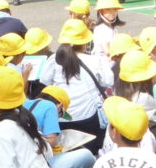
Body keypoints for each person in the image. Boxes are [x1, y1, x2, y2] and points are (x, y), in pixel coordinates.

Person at [37, 20, 112, 153]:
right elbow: (108, 81)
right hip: (88, 119)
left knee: (62, 151)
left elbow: (45, 81)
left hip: (60, 117)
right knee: (91, 151)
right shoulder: (95, 60)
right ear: (86, 42)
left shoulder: (54, 59)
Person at [115, 49, 156, 150]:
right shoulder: (144, 98)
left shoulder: (119, 88)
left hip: (118, 138)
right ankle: (150, 155)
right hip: (133, 142)